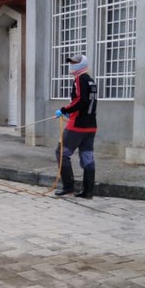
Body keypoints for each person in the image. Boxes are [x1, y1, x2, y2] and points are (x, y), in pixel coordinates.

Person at [54, 54, 97, 199]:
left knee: (61, 153)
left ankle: (68, 187)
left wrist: (64, 110)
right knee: (87, 158)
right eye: (71, 62)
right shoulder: (90, 80)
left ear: (82, 64)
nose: (72, 65)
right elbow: (86, 102)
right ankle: (88, 191)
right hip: (91, 126)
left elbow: (80, 100)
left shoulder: (79, 79)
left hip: (77, 126)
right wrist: (69, 111)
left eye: (74, 62)